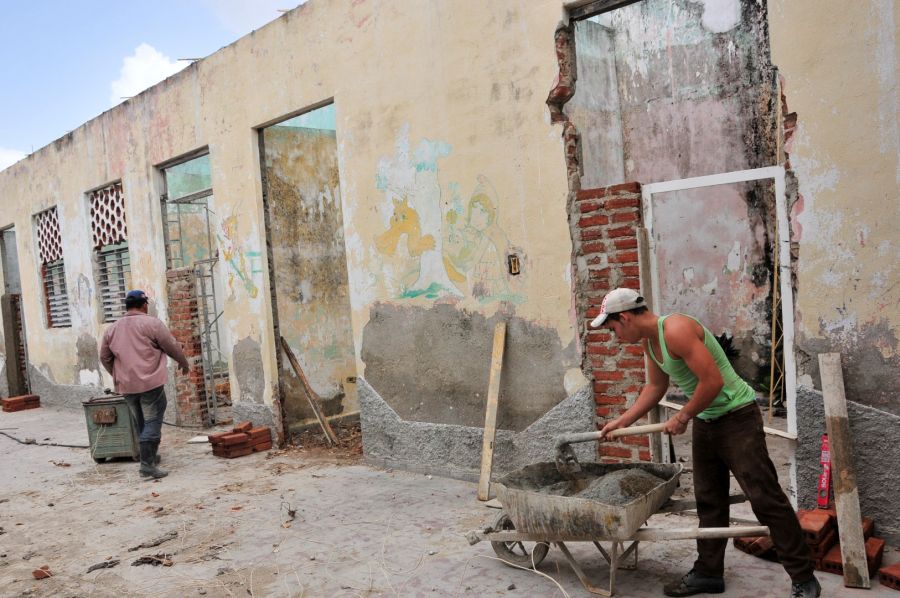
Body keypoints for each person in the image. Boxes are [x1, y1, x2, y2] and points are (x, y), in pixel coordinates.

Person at [592, 287, 820, 598]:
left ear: (626, 317)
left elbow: (712, 382)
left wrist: (683, 415)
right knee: (710, 501)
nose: (614, 335)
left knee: (765, 498)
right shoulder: (650, 344)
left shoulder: (676, 329)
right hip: (707, 420)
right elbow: (655, 387)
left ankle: (803, 577)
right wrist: (623, 422)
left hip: (737, 417)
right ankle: (708, 573)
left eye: (612, 327)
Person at [100, 290, 189, 479]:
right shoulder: (152, 324)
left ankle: (149, 457)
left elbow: (104, 357)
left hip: (126, 386)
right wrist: (183, 361)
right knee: (153, 419)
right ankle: (147, 466)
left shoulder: (112, 329)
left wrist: (118, 374)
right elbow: (171, 346)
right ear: (144, 305)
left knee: (140, 419)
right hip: (150, 382)